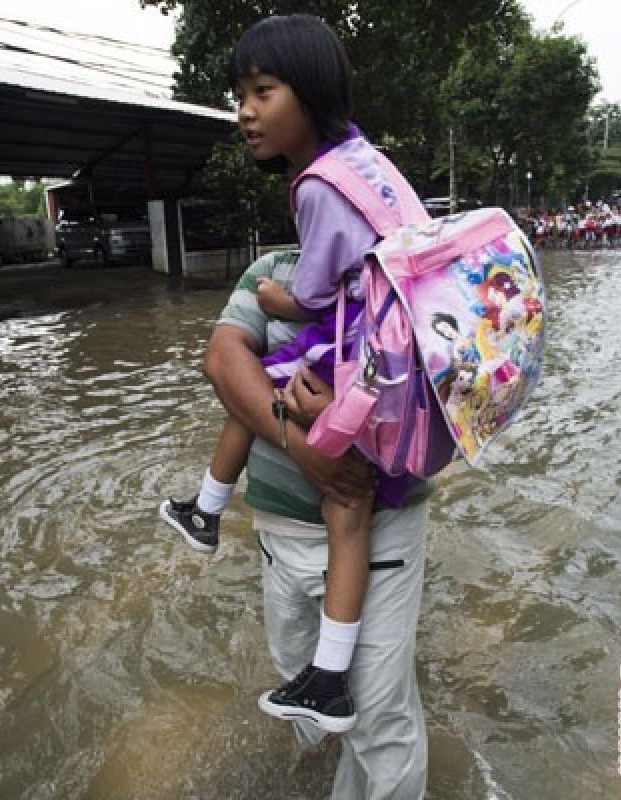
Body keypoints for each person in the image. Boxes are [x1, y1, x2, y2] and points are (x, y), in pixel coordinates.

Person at [157, 14, 426, 737]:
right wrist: (294, 426)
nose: (244, 111)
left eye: (262, 91)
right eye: (239, 94)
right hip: (389, 366)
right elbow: (225, 360)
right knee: (268, 390)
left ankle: (209, 515)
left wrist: (283, 303)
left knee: (346, 509)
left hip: (366, 374)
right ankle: (210, 516)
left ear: (306, 94)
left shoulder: (316, 190)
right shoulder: (369, 162)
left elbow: (309, 297)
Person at [205, 248, 432, 799]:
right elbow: (222, 360)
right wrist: (305, 444)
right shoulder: (272, 270)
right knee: (296, 666)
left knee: (381, 711)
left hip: (382, 530)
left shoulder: (414, 275)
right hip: (280, 533)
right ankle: (329, 748)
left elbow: (442, 391)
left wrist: (342, 417)